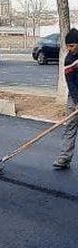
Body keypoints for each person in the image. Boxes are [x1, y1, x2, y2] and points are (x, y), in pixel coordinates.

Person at [53, 28, 78, 169]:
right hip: (74, 97)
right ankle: (64, 158)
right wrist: (77, 101)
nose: (70, 49)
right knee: (70, 127)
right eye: (68, 46)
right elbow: (71, 83)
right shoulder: (69, 59)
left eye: (72, 45)